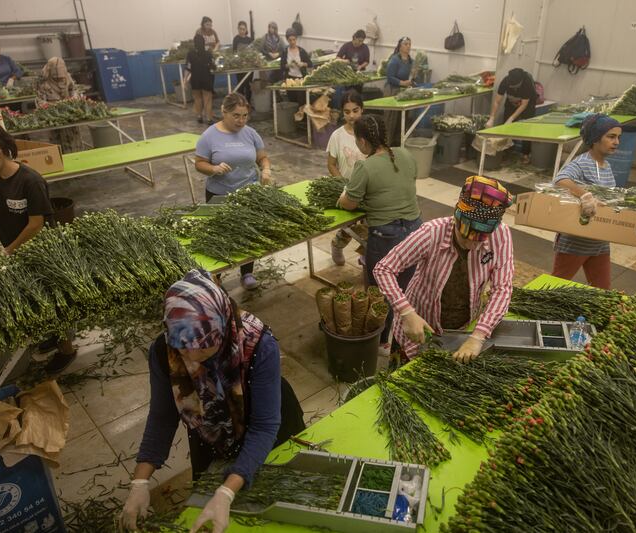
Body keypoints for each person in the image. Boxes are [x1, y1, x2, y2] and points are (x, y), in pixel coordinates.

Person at [119, 269, 305, 532]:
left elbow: (265, 426)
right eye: (183, 347)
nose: (192, 358)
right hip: (210, 427)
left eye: (204, 347)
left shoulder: (258, 344)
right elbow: (162, 417)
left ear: (223, 326)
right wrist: (139, 482)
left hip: (266, 424)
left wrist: (227, 491)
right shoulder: (163, 351)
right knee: (209, 505)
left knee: (274, 510)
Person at [0, 122, 77, 372]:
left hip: (44, 250)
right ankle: (50, 335)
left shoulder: (30, 181)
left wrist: (6, 252)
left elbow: (36, 224)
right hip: (15, 247)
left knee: (52, 297)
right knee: (34, 296)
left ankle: (66, 349)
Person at [373, 176, 514, 362]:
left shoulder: (500, 235)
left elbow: (502, 288)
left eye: (479, 240)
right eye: (465, 238)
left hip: (461, 330)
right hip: (418, 326)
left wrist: (478, 335)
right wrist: (406, 312)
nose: (471, 245)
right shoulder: (432, 233)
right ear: (456, 219)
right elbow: (383, 268)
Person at [338, 114, 421, 345]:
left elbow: (349, 203)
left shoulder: (365, 166)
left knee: (382, 289)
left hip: (387, 235)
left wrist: (344, 195)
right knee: (407, 285)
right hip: (416, 228)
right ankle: (404, 334)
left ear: (363, 142)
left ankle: (382, 340)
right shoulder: (405, 154)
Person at [194, 93, 273, 290]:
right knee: (219, 234)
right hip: (219, 193)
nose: (241, 120)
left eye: (245, 115)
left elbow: (262, 157)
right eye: (236, 115)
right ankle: (217, 276)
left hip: (248, 192)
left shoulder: (250, 133)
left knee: (248, 232)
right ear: (224, 112)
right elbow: (199, 163)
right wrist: (213, 169)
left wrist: (266, 169)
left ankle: (247, 273)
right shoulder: (209, 136)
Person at [551, 114, 622, 289]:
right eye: (611, 137)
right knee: (554, 286)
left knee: (603, 291)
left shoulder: (607, 166)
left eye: (618, 137)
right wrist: (585, 196)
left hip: (599, 241)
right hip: (576, 241)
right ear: (595, 138)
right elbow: (560, 180)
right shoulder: (582, 163)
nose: (617, 142)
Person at [327, 91, 367, 267]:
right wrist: (344, 185)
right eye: (347, 111)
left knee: (369, 226)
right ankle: (337, 245)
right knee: (349, 225)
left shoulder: (368, 132)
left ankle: (366, 255)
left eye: (355, 110)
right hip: (347, 188)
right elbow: (331, 164)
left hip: (369, 188)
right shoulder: (337, 136)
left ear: (362, 110)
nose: (351, 115)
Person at [486, 68, 538, 163]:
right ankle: (507, 151)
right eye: (511, 86)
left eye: (515, 86)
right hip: (511, 103)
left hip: (527, 106)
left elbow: (524, 105)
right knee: (506, 127)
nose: (513, 88)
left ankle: (525, 154)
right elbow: (497, 101)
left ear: (520, 82)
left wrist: (512, 118)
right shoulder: (505, 81)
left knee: (526, 128)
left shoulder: (527, 83)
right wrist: (492, 117)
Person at [36, 57, 82, 153]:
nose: (59, 79)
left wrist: (73, 100)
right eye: (56, 78)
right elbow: (40, 101)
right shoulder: (43, 82)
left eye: (61, 77)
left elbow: (74, 91)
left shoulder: (67, 77)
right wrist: (52, 107)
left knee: (73, 142)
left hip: (69, 115)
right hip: (53, 117)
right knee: (57, 144)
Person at [383, 37, 415, 146]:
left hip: (404, 92)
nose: (408, 46)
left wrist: (413, 78)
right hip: (392, 91)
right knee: (391, 119)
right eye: (405, 44)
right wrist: (402, 83)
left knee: (402, 119)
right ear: (400, 46)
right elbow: (390, 77)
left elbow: (412, 77)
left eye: (409, 44)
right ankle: (387, 143)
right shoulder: (395, 60)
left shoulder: (411, 61)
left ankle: (398, 142)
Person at [186, 34, 216, 124]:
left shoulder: (190, 54)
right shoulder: (208, 53)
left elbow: (188, 68)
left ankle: (199, 116)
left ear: (194, 43)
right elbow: (213, 67)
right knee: (207, 98)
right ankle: (209, 119)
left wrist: (184, 80)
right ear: (204, 42)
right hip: (206, 78)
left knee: (197, 98)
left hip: (195, 79)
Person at [280, 28, 312, 106]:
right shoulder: (285, 52)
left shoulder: (301, 51)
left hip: (301, 79)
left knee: (301, 101)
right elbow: (282, 66)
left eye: (294, 40)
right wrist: (288, 65)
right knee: (292, 101)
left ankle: (302, 117)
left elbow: (310, 64)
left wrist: (302, 64)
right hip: (290, 79)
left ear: (296, 39)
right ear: (287, 40)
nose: (292, 42)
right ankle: (293, 117)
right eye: (290, 40)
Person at [337, 29, 370, 94]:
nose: (360, 43)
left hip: (359, 74)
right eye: (359, 40)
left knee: (357, 93)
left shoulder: (365, 47)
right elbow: (338, 57)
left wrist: (360, 66)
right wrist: (344, 61)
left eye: (362, 41)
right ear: (355, 37)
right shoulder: (347, 46)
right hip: (347, 74)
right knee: (347, 93)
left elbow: (367, 61)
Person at [232, 21, 255, 104]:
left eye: (243, 29)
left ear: (246, 30)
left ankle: (248, 103)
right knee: (240, 86)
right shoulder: (236, 39)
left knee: (248, 86)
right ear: (238, 29)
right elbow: (234, 52)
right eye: (240, 29)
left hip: (249, 66)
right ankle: (241, 103)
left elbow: (253, 52)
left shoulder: (249, 39)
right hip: (240, 66)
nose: (242, 31)